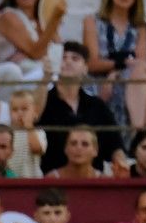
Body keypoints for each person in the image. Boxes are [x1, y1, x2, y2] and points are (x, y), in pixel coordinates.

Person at [38, 43, 128, 175]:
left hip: (92, 183)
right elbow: (32, 116)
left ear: (85, 68)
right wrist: (45, 78)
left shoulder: (97, 106)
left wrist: (120, 162)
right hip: (52, 185)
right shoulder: (43, 102)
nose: (68, 61)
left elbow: (115, 145)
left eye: (75, 58)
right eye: (63, 57)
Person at [84, 0, 146, 129]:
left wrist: (114, 72)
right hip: (99, 79)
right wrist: (121, 64)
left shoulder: (141, 27)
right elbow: (92, 63)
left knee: (142, 72)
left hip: (129, 80)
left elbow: (138, 62)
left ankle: (138, 132)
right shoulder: (92, 22)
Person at [0, 0, 63, 83]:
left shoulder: (43, 19)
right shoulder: (9, 16)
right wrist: (54, 20)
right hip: (15, 83)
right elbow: (36, 53)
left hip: (45, 79)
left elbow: (57, 52)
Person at [6, 89, 43, 177]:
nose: (20, 113)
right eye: (15, 110)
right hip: (12, 179)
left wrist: (29, 126)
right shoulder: (7, 133)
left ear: (35, 112)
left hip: (32, 179)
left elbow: (37, 149)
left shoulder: (38, 132)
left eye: (24, 109)